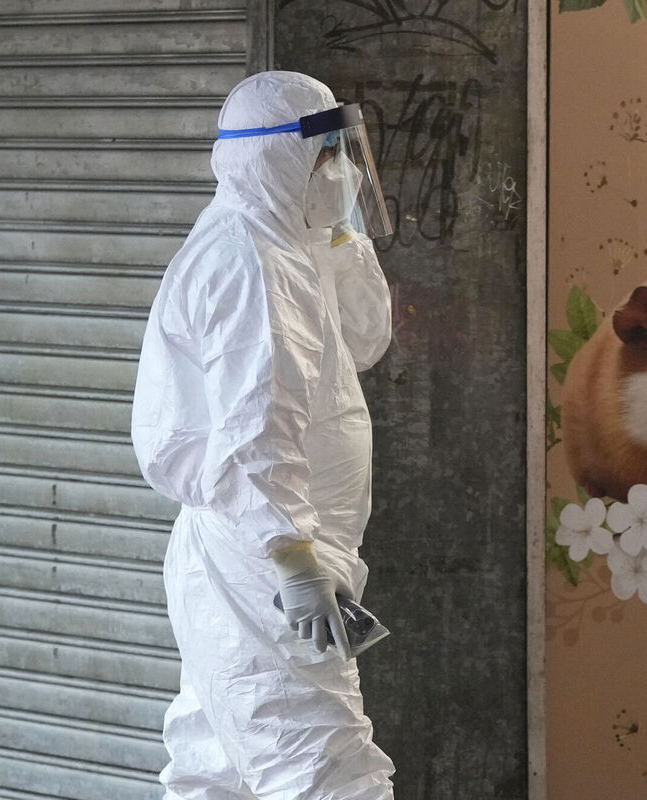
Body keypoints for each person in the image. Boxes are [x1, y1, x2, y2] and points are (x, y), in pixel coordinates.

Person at [130, 71, 396, 800]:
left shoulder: (289, 244)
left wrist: (345, 237)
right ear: (276, 159)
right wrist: (296, 564)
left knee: (221, 771)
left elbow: (366, 339)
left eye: (346, 154)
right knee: (331, 775)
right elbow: (256, 436)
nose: (341, 172)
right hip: (268, 564)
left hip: (268, 555)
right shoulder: (252, 262)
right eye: (326, 158)